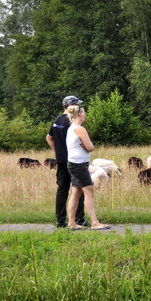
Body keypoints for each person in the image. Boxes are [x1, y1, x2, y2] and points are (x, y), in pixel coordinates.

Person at [64, 104, 110, 230]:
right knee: (89, 191)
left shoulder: (70, 128)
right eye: (83, 113)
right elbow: (90, 147)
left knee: (76, 192)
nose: (84, 116)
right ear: (79, 114)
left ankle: (71, 222)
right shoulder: (80, 129)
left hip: (72, 163)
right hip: (79, 164)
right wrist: (87, 146)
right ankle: (95, 223)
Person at [46, 95, 86, 228]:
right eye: (78, 105)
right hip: (74, 160)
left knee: (62, 189)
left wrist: (58, 152)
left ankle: (60, 220)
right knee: (78, 189)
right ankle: (79, 219)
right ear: (72, 106)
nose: (80, 108)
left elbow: (49, 138)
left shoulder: (57, 120)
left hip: (61, 160)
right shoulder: (73, 122)